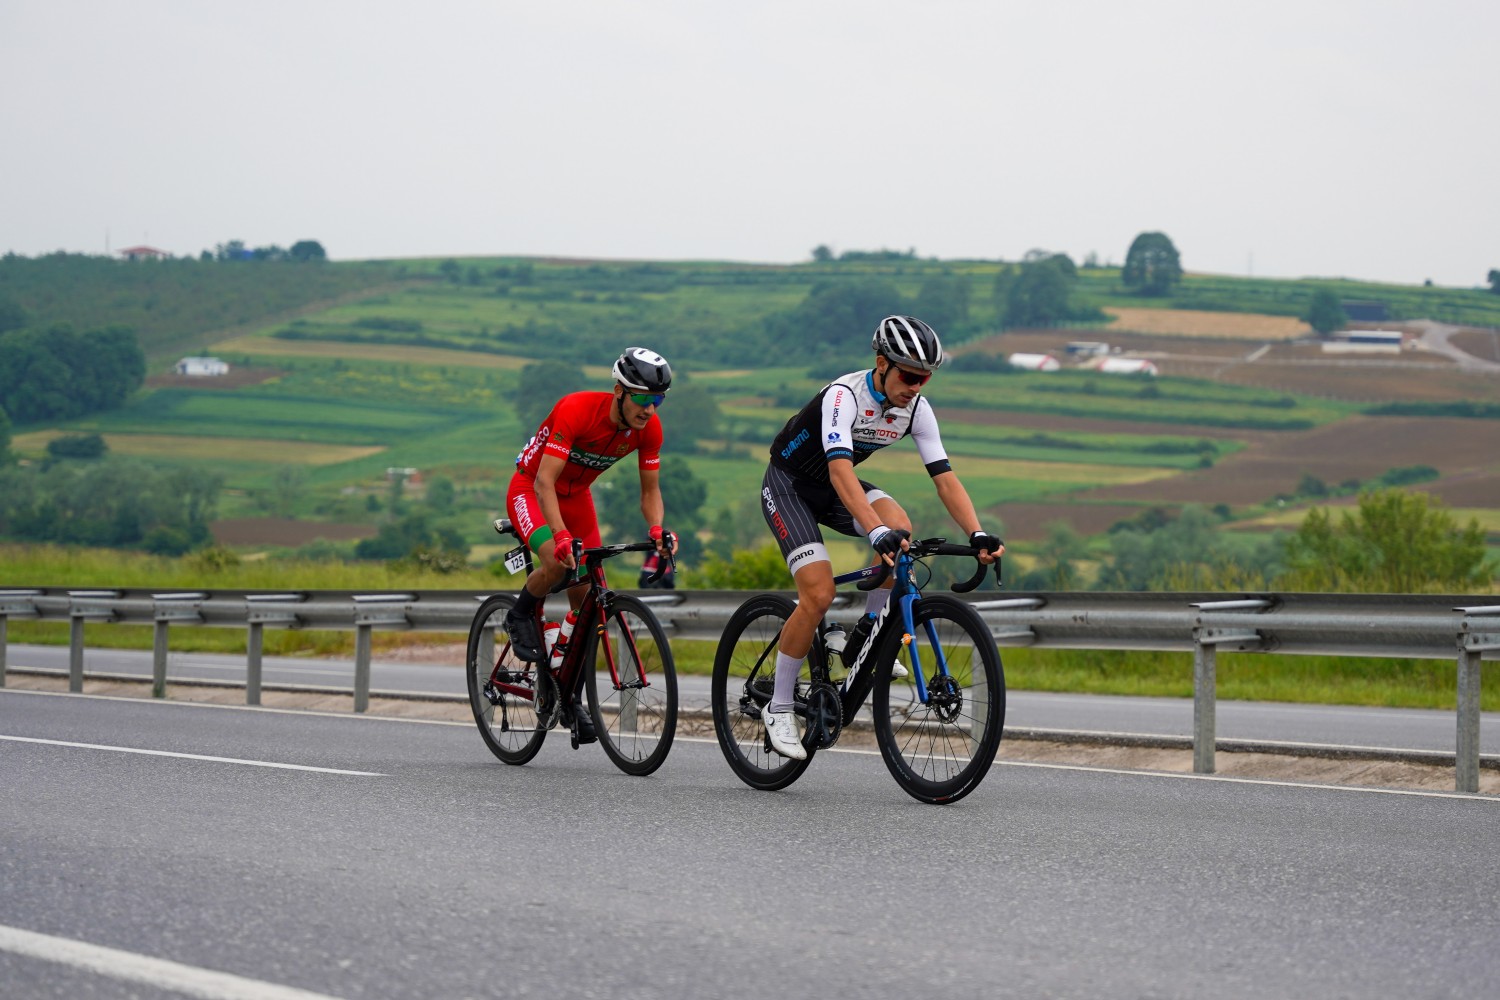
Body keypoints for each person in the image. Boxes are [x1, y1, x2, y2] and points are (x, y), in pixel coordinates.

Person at [757, 315, 1003, 760]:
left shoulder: (916, 409)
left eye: (925, 377)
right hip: (790, 486)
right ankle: (778, 707)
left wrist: (977, 531)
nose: (917, 385)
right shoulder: (843, 397)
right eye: (909, 375)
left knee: (901, 533)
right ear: (881, 363)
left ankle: (867, 634)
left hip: (835, 489)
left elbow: (944, 478)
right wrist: (874, 530)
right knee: (818, 593)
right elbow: (839, 469)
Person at [503, 347, 679, 742]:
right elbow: (545, 481)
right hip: (531, 490)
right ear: (619, 391)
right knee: (560, 561)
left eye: (658, 399)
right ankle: (519, 614)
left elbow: (650, 491)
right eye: (642, 397)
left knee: (587, 603)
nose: (650, 409)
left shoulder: (649, 430)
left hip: (578, 496)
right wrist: (561, 534)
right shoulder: (576, 411)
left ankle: (569, 697)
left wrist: (656, 530)